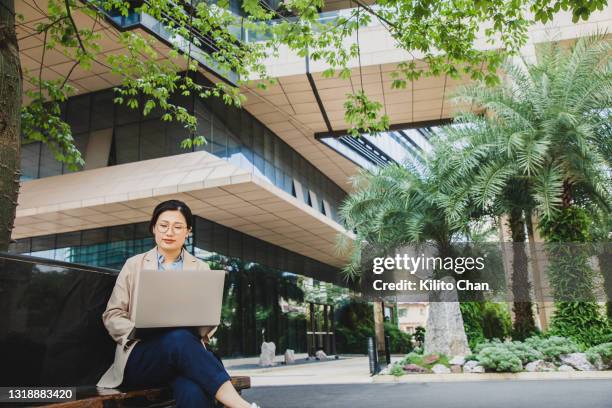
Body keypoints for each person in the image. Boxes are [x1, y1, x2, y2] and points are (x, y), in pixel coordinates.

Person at [97, 199, 260, 408]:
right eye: (163, 225)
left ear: (188, 231)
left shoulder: (200, 268)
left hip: (186, 357)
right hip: (143, 357)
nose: (169, 232)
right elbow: (112, 314)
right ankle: (242, 406)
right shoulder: (134, 265)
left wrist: (201, 328)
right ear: (154, 228)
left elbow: (210, 319)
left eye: (178, 227)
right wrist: (135, 331)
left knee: (192, 389)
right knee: (179, 340)